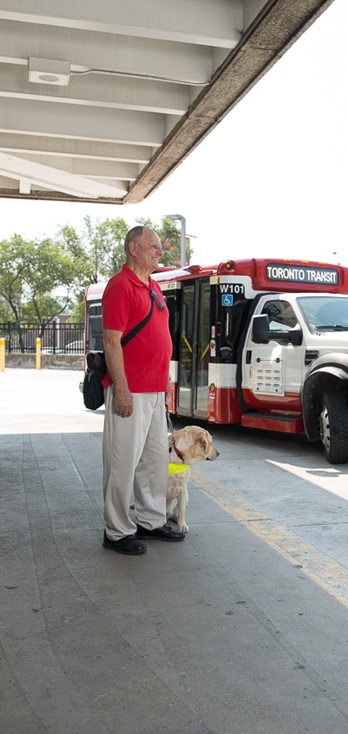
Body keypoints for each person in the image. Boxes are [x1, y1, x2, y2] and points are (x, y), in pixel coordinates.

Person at [101, 225, 185, 555]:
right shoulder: (120, 286)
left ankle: (150, 520)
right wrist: (121, 389)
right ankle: (117, 531)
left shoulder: (152, 287)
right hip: (130, 391)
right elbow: (111, 341)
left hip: (153, 391)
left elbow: (157, 340)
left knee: (153, 461)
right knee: (122, 461)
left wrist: (163, 381)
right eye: (153, 246)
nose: (160, 251)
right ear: (133, 248)